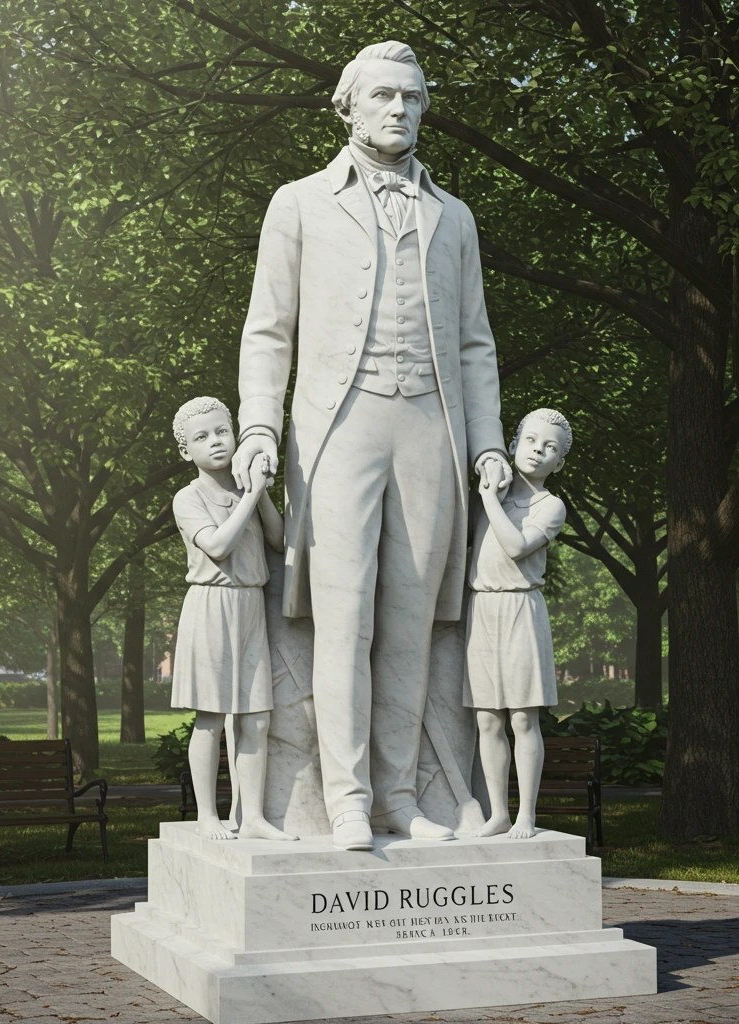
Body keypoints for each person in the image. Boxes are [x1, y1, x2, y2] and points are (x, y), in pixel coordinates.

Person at [231, 41, 511, 851]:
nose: (399, 110)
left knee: (411, 622)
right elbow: (267, 331)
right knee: (342, 618)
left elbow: (474, 345)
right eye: (384, 96)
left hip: (430, 427)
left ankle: (398, 796)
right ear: (347, 107)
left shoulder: (453, 216)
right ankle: (346, 797)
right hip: (337, 427)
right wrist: (257, 425)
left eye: (413, 98)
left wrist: (488, 442)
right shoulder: (300, 203)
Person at [169, 396, 295, 842]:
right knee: (212, 716)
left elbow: (279, 540)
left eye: (222, 431)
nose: (215, 443)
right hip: (211, 606)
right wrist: (254, 495)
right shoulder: (189, 498)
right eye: (201, 438)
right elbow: (218, 546)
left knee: (256, 717)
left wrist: (257, 493)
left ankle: (253, 816)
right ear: (187, 452)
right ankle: (208, 814)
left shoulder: (246, 489)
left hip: (249, 605)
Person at [465, 408, 571, 839]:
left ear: (558, 463)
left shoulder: (551, 506)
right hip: (482, 609)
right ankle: (498, 813)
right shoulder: (496, 492)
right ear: (514, 444)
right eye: (530, 441)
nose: (537, 451)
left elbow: (515, 546)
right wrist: (491, 488)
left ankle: (526, 811)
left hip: (521, 611)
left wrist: (488, 497)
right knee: (488, 719)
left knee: (523, 719)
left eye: (549, 448)